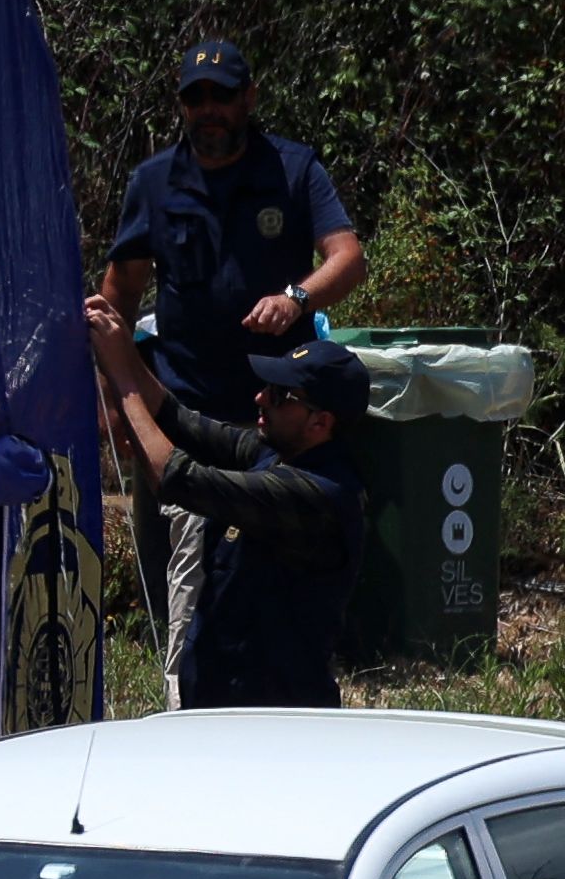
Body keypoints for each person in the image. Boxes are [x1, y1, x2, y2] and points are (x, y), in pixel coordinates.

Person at [103, 41, 367, 688]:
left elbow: (349, 258)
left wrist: (296, 297)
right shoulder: (155, 183)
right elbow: (118, 294)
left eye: (222, 95)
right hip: (183, 415)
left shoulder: (293, 170)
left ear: (248, 97)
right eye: (195, 98)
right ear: (181, 105)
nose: (209, 110)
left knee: (265, 599)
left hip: (276, 427)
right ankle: (193, 693)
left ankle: (222, 704)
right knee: (185, 595)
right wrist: (116, 397)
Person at [86, 294, 366, 708]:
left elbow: (178, 479)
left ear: (320, 422)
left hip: (273, 724)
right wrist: (126, 350)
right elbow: (181, 422)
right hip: (224, 708)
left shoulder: (314, 496)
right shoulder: (274, 453)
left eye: (278, 394)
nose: (260, 398)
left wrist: (122, 386)